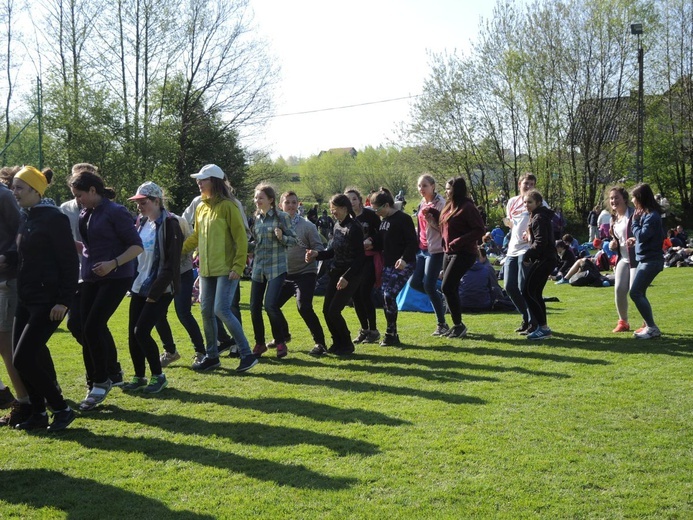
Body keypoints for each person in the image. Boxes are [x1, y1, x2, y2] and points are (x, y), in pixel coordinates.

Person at [3, 166, 79, 430]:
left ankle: (61, 408)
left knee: (24, 358)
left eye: (19, 187)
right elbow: (28, 254)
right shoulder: (28, 216)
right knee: (19, 359)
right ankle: (38, 414)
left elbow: (70, 262)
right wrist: (6, 258)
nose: (14, 192)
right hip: (26, 298)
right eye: (13, 187)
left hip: (48, 301)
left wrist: (64, 300)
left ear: (36, 190)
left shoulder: (53, 218)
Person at [69, 165, 144, 411]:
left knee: (92, 326)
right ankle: (97, 379)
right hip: (91, 276)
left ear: (93, 190)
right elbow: (92, 247)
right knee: (78, 324)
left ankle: (101, 381)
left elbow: (136, 246)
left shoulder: (116, 211)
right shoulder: (85, 213)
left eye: (79, 195)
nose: (77, 200)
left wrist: (113, 263)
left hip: (116, 276)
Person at [181, 164, 257, 372]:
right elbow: (196, 236)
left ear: (214, 181)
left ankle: (247, 354)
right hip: (207, 269)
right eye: (198, 179)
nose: (199, 182)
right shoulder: (201, 207)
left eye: (202, 179)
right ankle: (212, 356)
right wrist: (178, 251)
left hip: (227, 269)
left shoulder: (229, 206)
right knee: (206, 311)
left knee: (220, 310)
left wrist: (238, 266)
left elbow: (241, 239)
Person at [121, 182, 182, 393]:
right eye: (137, 202)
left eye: (143, 202)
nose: (139, 206)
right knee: (132, 333)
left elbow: (170, 263)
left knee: (142, 331)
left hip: (160, 288)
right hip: (139, 285)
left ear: (157, 201)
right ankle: (139, 376)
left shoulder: (171, 224)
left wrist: (154, 293)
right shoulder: (142, 222)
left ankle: (159, 376)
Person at [305, 194, 364, 355]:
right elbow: (332, 251)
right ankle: (337, 342)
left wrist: (346, 277)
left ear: (344, 208)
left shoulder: (354, 228)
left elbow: (360, 259)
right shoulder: (337, 226)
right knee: (326, 310)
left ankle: (346, 344)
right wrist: (317, 254)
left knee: (334, 311)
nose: (332, 212)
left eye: (335, 208)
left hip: (350, 274)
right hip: (335, 272)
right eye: (331, 208)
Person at [427, 177, 485, 338]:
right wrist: (433, 213)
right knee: (449, 288)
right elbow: (446, 223)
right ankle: (456, 325)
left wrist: (458, 241)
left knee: (447, 286)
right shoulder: (449, 206)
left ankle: (458, 325)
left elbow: (479, 229)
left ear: (456, 190)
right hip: (449, 252)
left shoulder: (467, 207)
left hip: (464, 252)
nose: (445, 192)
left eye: (448, 189)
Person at [276, 191, 327, 355]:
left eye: (294, 202)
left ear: (298, 205)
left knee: (304, 307)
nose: (291, 206)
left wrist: (313, 253)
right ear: (280, 205)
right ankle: (283, 335)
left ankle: (320, 343)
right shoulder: (276, 225)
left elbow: (320, 247)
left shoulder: (308, 226)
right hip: (285, 274)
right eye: (287, 202)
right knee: (271, 305)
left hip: (306, 273)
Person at [249, 183, 296, 359]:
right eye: (256, 198)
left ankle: (280, 341)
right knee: (254, 307)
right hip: (259, 267)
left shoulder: (282, 217)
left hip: (277, 267)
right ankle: (260, 343)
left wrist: (281, 236)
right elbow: (256, 243)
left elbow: (293, 240)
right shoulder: (256, 218)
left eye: (260, 198)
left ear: (270, 200)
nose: (257, 201)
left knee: (270, 305)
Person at [0, 165, 30, 427]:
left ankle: (25, 401)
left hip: (6, 282)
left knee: (8, 347)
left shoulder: (3, 195)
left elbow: (21, 231)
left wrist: (6, 256)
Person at [370, 188, 418, 346]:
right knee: (385, 297)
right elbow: (380, 241)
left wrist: (404, 259)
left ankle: (391, 332)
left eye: (376, 208)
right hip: (388, 264)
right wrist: (368, 243)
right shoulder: (384, 222)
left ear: (386, 205)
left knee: (389, 295)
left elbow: (412, 242)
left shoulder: (403, 219)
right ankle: (392, 333)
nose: (375, 212)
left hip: (405, 264)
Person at [408, 175, 449, 336]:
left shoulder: (442, 204)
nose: (421, 189)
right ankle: (440, 298)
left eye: (424, 185)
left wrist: (432, 220)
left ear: (433, 186)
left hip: (436, 249)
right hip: (422, 249)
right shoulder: (421, 204)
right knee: (414, 283)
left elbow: (445, 229)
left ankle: (442, 324)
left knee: (429, 285)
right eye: (419, 186)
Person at [627, 183, 666, 339]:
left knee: (635, 292)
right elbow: (647, 238)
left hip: (651, 261)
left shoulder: (651, 216)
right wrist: (634, 239)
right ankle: (649, 326)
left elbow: (643, 235)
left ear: (641, 198)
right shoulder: (648, 215)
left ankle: (652, 328)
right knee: (640, 292)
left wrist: (635, 223)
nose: (632, 200)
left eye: (634, 197)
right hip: (646, 259)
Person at [345, 188, 382, 344]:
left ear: (359, 200)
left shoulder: (370, 215)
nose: (351, 202)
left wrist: (371, 241)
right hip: (354, 260)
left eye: (354, 199)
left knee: (365, 292)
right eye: (348, 200)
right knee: (355, 295)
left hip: (370, 258)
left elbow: (381, 234)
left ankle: (373, 330)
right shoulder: (346, 218)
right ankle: (364, 329)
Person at [503, 173, 538, 333]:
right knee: (509, 286)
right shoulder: (512, 202)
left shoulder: (539, 201)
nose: (529, 187)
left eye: (532, 184)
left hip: (527, 249)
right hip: (512, 249)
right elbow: (511, 224)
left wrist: (532, 234)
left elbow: (544, 222)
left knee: (524, 287)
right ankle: (526, 318)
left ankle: (534, 322)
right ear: (519, 184)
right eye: (526, 184)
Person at [521, 190, 558, 340]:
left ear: (537, 203)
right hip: (547, 259)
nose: (526, 205)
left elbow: (541, 242)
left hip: (544, 259)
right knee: (535, 293)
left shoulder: (539, 217)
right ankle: (543, 327)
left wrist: (528, 254)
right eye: (525, 202)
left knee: (527, 291)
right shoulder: (540, 216)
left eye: (529, 202)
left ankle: (543, 328)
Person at [607, 186, 637, 333]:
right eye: (611, 198)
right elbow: (616, 240)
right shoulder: (613, 219)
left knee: (636, 291)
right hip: (623, 258)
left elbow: (642, 232)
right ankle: (623, 322)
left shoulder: (633, 214)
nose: (613, 201)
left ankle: (647, 322)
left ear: (624, 199)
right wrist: (613, 244)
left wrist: (636, 239)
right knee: (619, 289)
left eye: (616, 197)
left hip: (636, 258)